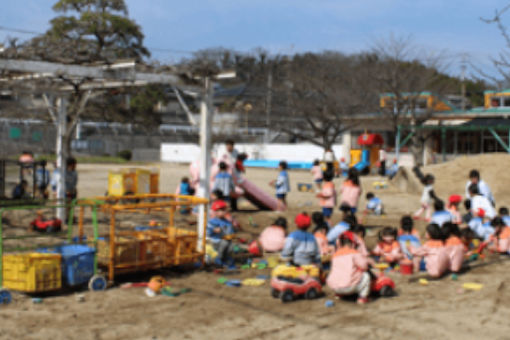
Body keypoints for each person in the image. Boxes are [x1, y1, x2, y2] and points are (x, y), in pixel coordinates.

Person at [326, 231, 371, 304]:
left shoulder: (335, 255)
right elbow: (364, 266)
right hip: (349, 287)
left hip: (335, 288)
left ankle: (339, 294)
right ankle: (362, 298)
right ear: (353, 243)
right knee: (366, 276)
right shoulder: (354, 252)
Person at [206, 200, 236, 267]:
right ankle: (218, 259)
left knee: (231, 246)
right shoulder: (213, 221)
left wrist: (232, 233)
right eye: (220, 210)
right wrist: (213, 229)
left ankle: (227, 259)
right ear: (215, 212)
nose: (222, 212)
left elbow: (230, 230)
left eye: (223, 210)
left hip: (225, 239)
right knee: (224, 244)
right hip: (215, 240)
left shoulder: (227, 221)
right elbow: (208, 229)